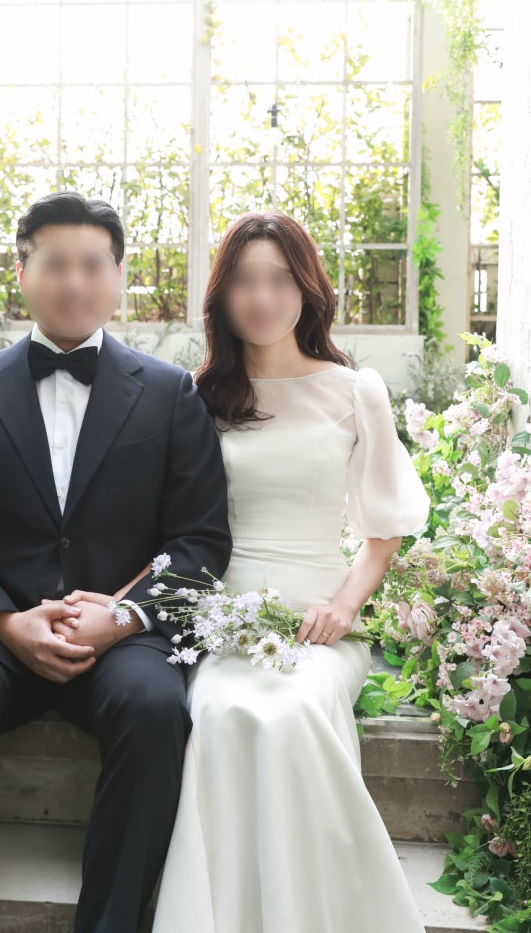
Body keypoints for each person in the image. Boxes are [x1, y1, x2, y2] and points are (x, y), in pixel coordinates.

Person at [0, 190, 232, 933]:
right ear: (22, 273)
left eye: (91, 264)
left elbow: (201, 542)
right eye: (54, 264)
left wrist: (125, 615)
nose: (74, 282)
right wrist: (5, 619)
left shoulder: (171, 395)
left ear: (117, 276)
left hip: (121, 635)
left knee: (155, 710)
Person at [147, 211, 430, 932]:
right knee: (221, 712)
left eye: (279, 279)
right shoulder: (197, 396)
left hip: (321, 621)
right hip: (224, 621)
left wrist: (342, 608)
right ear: (222, 296)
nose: (262, 297)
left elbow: (383, 531)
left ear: (307, 289)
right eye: (244, 280)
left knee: (295, 710)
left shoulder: (355, 390)